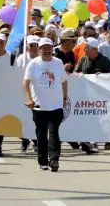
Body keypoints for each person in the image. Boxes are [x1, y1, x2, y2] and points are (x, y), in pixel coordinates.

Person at [23, 38, 67, 172]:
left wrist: (64, 98)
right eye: (44, 48)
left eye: (49, 47)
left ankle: (54, 160)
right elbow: (25, 83)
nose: (47, 50)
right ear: (39, 49)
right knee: (41, 134)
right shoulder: (33, 64)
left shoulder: (58, 63)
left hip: (56, 105)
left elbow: (64, 81)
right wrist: (29, 99)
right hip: (39, 106)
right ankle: (42, 161)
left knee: (54, 132)